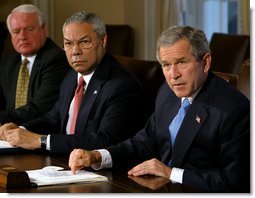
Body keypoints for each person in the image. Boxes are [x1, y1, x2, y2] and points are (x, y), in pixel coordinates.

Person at [68, 26, 250, 192]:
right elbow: (144, 142)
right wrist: (98, 156)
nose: (173, 75)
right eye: (166, 65)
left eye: (181, 62)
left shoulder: (234, 109)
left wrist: (171, 173)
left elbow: (233, 181)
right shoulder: (167, 92)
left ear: (206, 62)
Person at [0, 11, 145, 154]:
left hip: (97, 170)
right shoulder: (71, 76)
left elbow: (103, 140)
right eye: (68, 44)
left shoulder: (122, 85)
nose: (75, 51)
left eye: (84, 42)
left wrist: (41, 141)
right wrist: (20, 130)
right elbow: (53, 119)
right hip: (61, 162)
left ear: (103, 40)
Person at [0, 4, 70, 125]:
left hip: (39, 133)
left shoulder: (57, 59)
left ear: (43, 29)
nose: (22, 37)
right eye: (16, 31)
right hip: (8, 132)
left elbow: (39, 109)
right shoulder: (8, 61)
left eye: (29, 29)